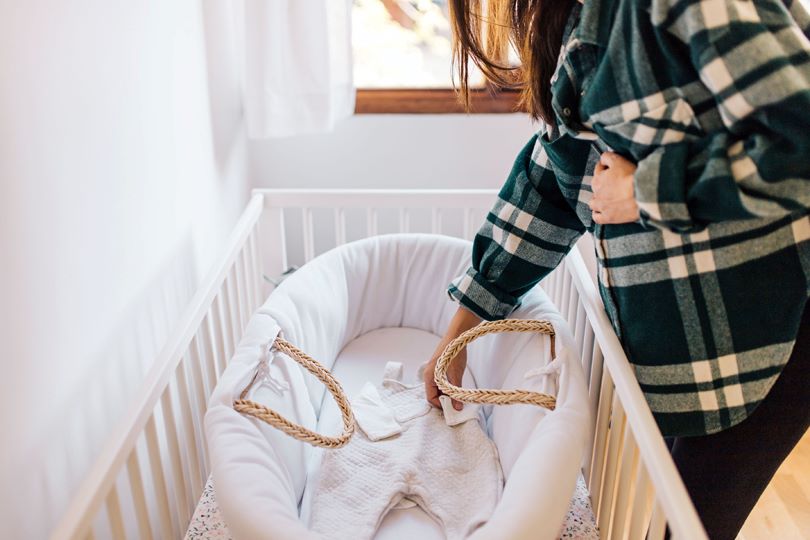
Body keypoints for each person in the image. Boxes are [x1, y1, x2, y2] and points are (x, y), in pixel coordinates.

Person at [422, 0, 810, 538]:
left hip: (777, 321)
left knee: (691, 521)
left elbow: (799, 143)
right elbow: (552, 179)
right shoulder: (579, 22)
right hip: (696, 343)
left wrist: (647, 190)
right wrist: (461, 329)